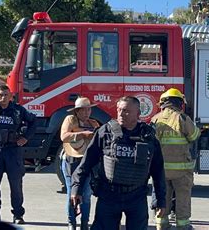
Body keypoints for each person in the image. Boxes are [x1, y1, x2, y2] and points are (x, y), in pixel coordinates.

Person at [71, 96, 166, 230]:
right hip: (109, 195)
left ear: (138, 114)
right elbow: (86, 163)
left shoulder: (148, 136)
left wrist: (160, 201)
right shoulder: (105, 132)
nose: (121, 114)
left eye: (126, 111)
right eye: (119, 109)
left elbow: (158, 172)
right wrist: (77, 188)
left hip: (136, 196)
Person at [151, 88, 200, 230]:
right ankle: (182, 225)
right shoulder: (182, 118)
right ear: (179, 102)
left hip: (161, 170)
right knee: (182, 196)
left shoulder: (155, 119)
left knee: (163, 196)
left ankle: (162, 224)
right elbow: (194, 136)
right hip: (181, 169)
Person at [0, 84, 36, 224]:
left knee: (16, 185)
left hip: (13, 151)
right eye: (0, 95)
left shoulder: (18, 110)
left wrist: (25, 137)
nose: (3, 98)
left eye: (5, 95)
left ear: (10, 96)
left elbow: (33, 122)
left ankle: (18, 214)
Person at [61, 97, 100, 230]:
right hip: (71, 160)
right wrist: (82, 134)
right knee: (71, 194)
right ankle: (71, 222)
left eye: (88, 109)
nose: (87, 112)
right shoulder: (70, 120)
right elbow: (64, 136)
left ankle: (84, 223)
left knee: (87, 195)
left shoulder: (94, 123)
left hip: (87, 162)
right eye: (83, 110)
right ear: (77, 111)